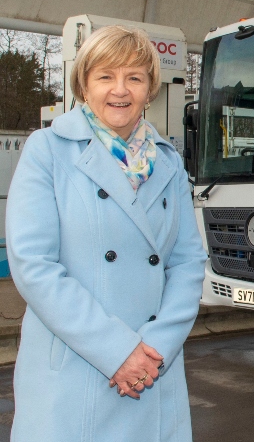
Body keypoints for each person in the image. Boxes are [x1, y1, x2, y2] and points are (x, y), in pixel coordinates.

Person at [6, 25, 207, 441]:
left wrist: (155, 350)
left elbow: (188, 263)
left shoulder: (168, 164)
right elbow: (34, 264)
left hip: (153, 370)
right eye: (105, 76)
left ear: (150, 88)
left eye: (134, 77)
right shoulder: (47, 150)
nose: (120, 90)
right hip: (78, 369)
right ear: (83, 84)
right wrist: (117, 351)